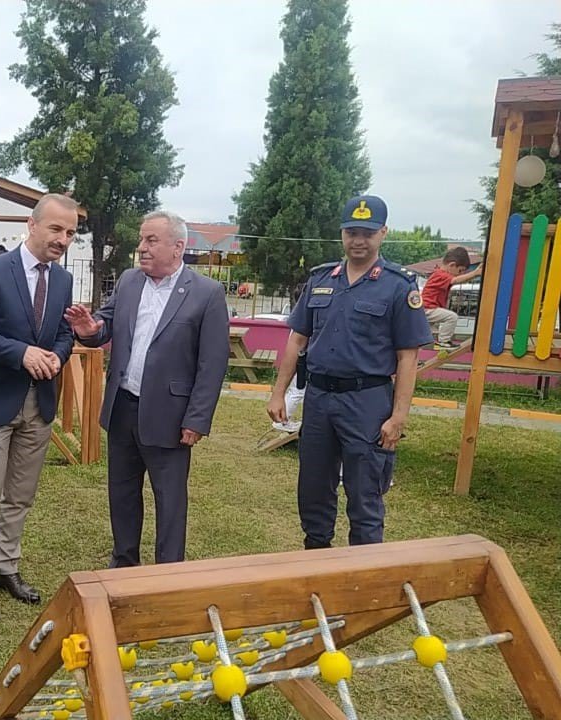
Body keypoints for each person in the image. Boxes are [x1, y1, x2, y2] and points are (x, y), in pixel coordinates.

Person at [267, 195, 432, 550]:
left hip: (368, 402)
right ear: (342, 233)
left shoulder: (398, 286)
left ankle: (361, 584)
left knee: (365, 496)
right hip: (320, 400)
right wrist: (278, 392)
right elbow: (297, 339)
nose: (359, 240)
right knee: (313, 490)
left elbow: (407, 357)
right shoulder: (322, 279)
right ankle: (317, 567)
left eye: (367, 233)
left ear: (383, 233)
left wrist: (399, 416)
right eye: (352, 232)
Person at [65, 210, 230, 567]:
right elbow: (105, 325)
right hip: (123, 407)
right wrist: (90, 329)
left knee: (169, 498)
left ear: (178, 247)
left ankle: (167, 570)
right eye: (141, 239)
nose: (141, 247)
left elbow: (212, 363)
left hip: (170, 416)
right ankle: (124, 561)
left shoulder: (207, 294)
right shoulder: (128, 281)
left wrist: (197, 419)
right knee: (121, 492)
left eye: (151, 240)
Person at [0, 194, 77, 622]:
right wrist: (21, 353)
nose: (63, 239)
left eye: (70, 233)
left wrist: (59, 356)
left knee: (20, 496)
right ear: (32, 224)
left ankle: (6, 568)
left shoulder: (62, 281)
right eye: (56, 229)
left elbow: (65, 333)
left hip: (39, 403)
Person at [421, 247, 483, 350]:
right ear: (452, 265)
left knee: (424, 335)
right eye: (460, 270)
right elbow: (456, 280)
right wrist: (475, 273)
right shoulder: (441, 275)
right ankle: (444, 342)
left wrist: (475, 272)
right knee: (451, 317)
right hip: (428, 308)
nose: (461, 273)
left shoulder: (440, 274)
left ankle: (422, 350)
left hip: (429, 308)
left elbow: (459, 280)